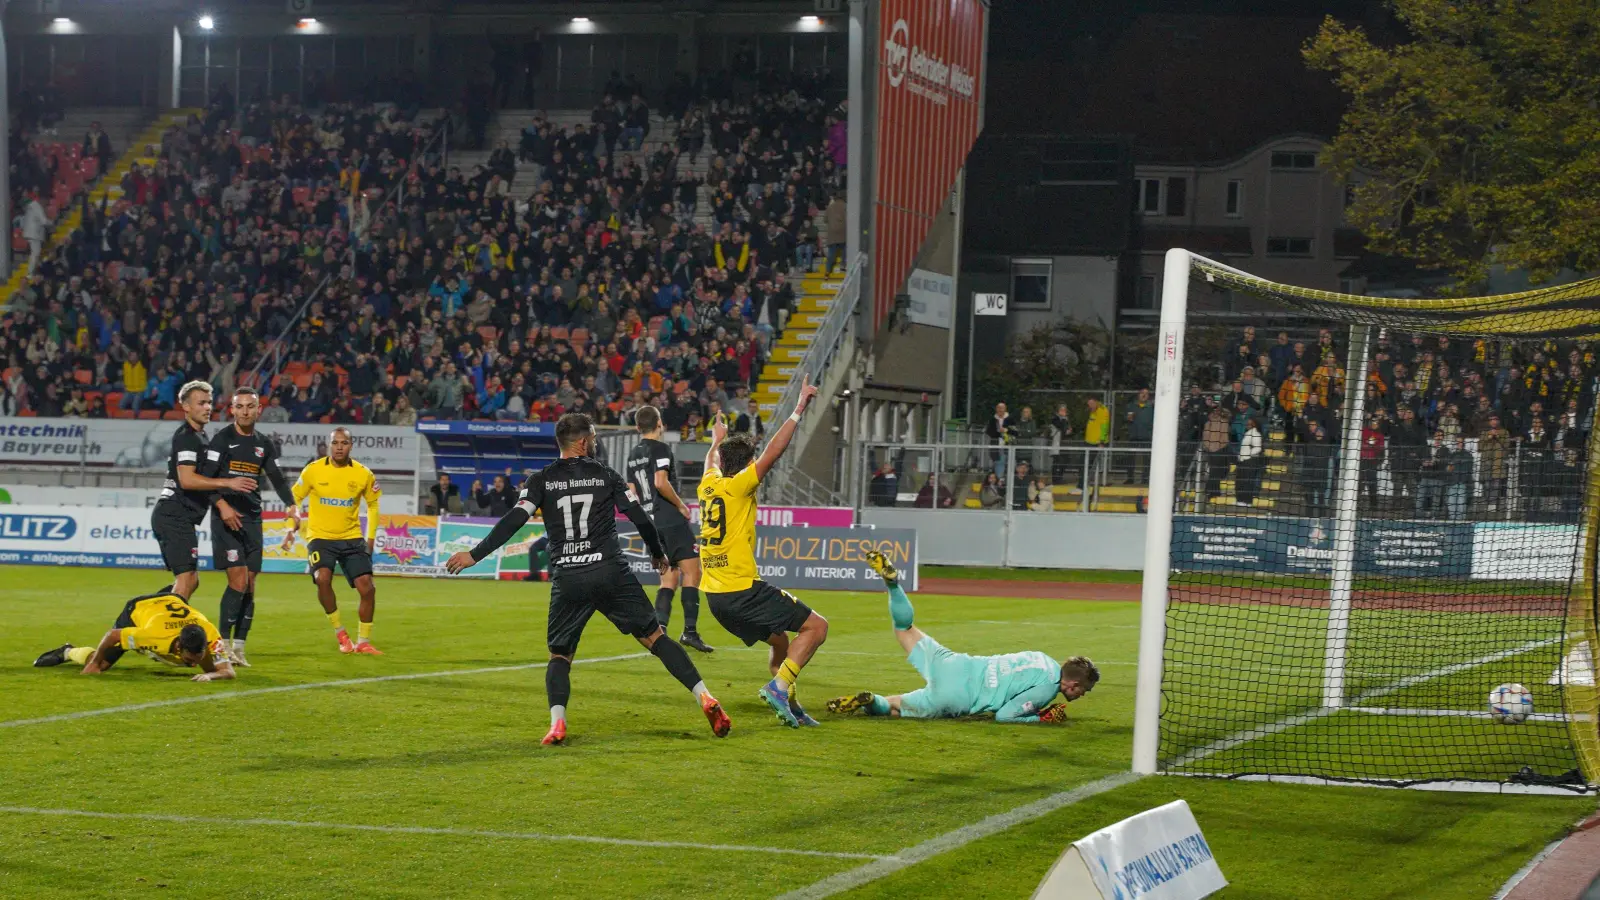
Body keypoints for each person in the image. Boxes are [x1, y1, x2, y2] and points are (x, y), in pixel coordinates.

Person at [444, 413, 730, 745]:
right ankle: (705, 697)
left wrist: (474, 554)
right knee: (655, 637)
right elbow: (640, 517)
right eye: (592, 438)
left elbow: (513, 521)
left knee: (560, 656)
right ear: (582, 442)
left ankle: (557, 723)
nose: (594, 443)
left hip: (569, 577)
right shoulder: (606, 475)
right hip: (611, 571)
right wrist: (656, 552)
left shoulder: (541, 480)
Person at [827, 551, 1098, 722]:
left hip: (956, 664)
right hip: (959, 696)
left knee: (905, 628)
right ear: (1072, 683)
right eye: (1084, 690)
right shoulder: (1047, 689)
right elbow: (1004, 715)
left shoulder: (1044, 659)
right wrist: (1038, 718)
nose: (1082, 695)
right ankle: (873, 701)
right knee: (897, 707)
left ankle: (893, 585)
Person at [698, 373, 828, 728]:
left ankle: (790, 703)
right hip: (741, 590)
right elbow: (775, 451)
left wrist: (716, 441)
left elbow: (711, 461)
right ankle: (778, 687)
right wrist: (799, 407)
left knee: (781, 642)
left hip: (715, 598)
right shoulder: (740, 486)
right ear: (745, 465)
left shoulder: (708, 485)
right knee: (816, 628)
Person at [205, 387, 295, 667]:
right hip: (226, 519)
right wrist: (222, 506)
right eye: (239, 406)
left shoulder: (263, 443)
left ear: (258, 410)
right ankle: (221, 646)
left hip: (253, 520)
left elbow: (277, 478)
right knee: (238, 581)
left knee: (251, 584)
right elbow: (204, 481)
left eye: (250, 406)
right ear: (232, 410)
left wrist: (291, 504)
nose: (245, 411)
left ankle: (239, 648)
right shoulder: (222, 440)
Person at [150, 381, 257, 600]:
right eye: (201, 403)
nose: (208, 407)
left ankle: (152, 611)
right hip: (173, 515)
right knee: (187, 579)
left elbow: (202, 481)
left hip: (179, 517)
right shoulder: (187, 437)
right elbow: (187, 480)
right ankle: (170, 628)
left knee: (191, 580)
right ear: (186, 407)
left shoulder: (200, 437)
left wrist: (221, 502)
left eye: (209, 402)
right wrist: (227, 483)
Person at [624, 405, 715, 653]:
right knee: (692, 573)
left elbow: (632, 491)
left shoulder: (632, 454)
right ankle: (690, 632)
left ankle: (659, 632)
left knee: (668, 578)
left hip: (649, 522)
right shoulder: (661, 449)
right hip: (668, 518)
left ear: (637, 427)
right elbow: (660, 482)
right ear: (660, 423)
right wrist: (681, 505)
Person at [285, 427, 383, 655]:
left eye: (344, 443)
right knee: (322, 578)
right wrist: (291, 526)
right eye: (335, 443)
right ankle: (340, 632)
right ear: (329, 445)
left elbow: (373, 504)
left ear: (351, 445)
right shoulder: (313, 470)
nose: (339, 447)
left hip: (351, 538)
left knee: (367, 588)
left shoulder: (363, 474)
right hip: (320, 537)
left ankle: (363, 641)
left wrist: (370, 538)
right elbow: (294, 497)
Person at [33, 586, 236, 683]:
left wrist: (209, 676)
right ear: (178, 647)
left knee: (211, 667)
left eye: (196, 659)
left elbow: (228, 672)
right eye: (190, 660)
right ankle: (68, 652)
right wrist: (93, 665)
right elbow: (113, 636)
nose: (192, 664)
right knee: (102, 665)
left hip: (171, 601)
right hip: (138, 608)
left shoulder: (210, 633)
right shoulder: (151, 635)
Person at [1236, 417, 1263, 506]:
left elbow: (1258, 448)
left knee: (1247, 482)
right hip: (1243, 460)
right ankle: (1240, 500)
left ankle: (1247, 501)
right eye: (1247, 424)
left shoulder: (1255, 434)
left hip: (1250, 461)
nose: (1247, 425)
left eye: (1249, 424)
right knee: (1241, 481)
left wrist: (1248, 454)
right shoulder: (1247, 433)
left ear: (1254, 424)